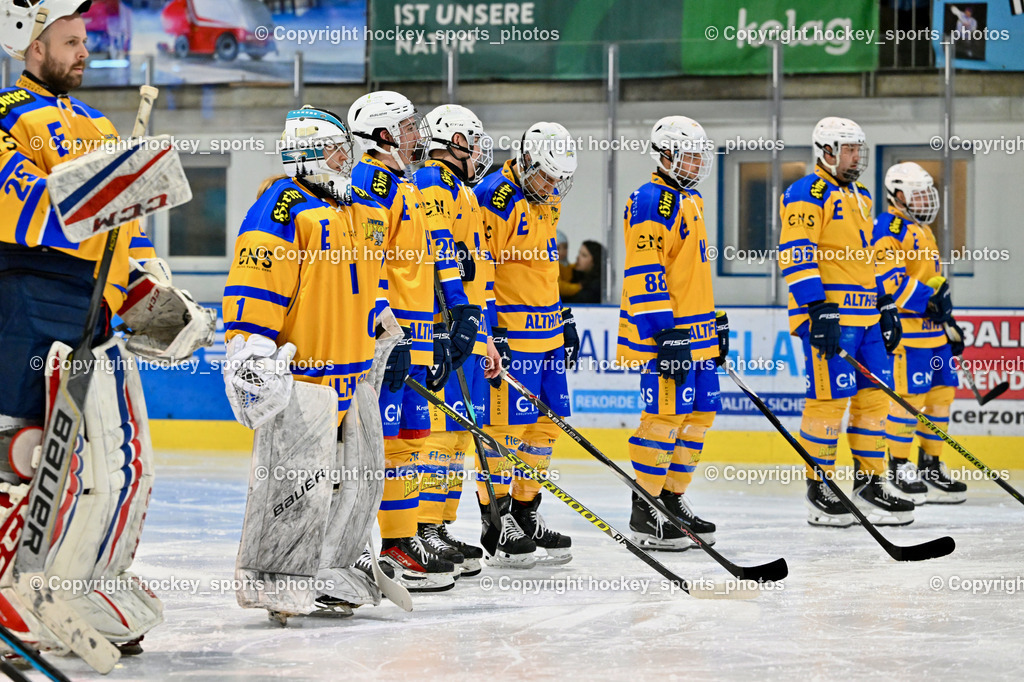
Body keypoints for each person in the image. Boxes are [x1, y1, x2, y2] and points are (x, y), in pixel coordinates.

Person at [0, 0, 209, 657]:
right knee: (27, 458)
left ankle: (80, 580)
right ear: (31, 46)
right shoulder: (6, 114)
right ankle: (11, 589)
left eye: (84, 38)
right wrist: (102, 197)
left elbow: (129, 234)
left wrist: (149, 288)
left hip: (93, 312)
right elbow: (16, 203)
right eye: (69, 40)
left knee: (116, 464)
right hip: (23, 303)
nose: (83, 50)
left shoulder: (98, 123)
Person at [223, 106, 405, 617]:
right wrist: (250, 345)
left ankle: (331, 566)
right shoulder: (282, 206)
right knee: (296, 486)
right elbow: (255, 286)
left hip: (353, 376)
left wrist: (381, 317)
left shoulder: (353, 210)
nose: (346, 160)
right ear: (304, 154)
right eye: (334, 151)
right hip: (304, 381)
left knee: (362, 480)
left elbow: (358, 282)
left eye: (346, 149)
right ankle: (276, 578)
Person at [348, 91, 482, 592]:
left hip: (422, 330)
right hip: (392, 336)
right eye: (406, 128)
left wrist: (459, 309)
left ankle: (405, 539)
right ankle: (387, 544)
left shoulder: (404, 184)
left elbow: (436, 256)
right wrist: (387, 325)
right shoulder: (370, 181)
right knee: (384, 443)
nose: (416, 136)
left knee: (409, 441)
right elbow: (368, 259)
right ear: (381, 135)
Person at [778, 117, 913, 527]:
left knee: (874, 402)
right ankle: (819, 488)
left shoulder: (861, 196)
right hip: (833, 320)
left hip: (868, 317)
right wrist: (817, 308)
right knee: (828, 404)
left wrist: (887, 304)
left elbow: (867, 256)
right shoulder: (807, 192)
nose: (858, 156)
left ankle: (868, 485)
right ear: (828, 150)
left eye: (859, 148)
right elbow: (794, 250)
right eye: (850, 148)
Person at [617, 116, 726, 551]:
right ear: (665, 156)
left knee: (699, 417)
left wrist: (713, 322)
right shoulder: (650, 202)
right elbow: (646, 272)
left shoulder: (690, 200)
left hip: (696, 336)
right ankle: (645, 510)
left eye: (701, 155)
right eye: (690, 155)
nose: (699, 163)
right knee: (663, 420)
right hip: (666, 338)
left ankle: (671, 498)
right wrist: (667, 334)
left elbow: (689, 276)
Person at [474, 122, 578, 567]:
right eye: (546, 176)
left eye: (559, 179)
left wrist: (564, 314)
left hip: (548, 335)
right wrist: (491, 331)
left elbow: (545, 263)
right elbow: (482, 268)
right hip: (512, 339)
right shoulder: (493, 196)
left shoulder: (548, 197)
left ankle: (525, 511)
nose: (553, 185)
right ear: (526, 160)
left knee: (544, 430)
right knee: (501, 433)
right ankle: (496, 522)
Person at [412, 104, 502, 576]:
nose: (481, 150)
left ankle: (441, 525)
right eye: (474, 139)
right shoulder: (430, 183)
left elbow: (477, 270)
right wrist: (452, 324)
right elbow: (437, 252)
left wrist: (484, 336)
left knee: (458, 438)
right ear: (453, 143)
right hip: (440, 325)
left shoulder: (462, 191)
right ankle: (423, 526)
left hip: (467, 326)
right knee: (437, 434)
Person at [874, 162, 967, 504]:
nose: (927, 201)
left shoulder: (924, 230)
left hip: (934, 335)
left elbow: (931, 281)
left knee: (941, 396)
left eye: (929, 194)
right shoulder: (888, 227)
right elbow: (889, 280)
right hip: (909, 334)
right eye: (919, 195)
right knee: (909, 399)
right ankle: (898, 464)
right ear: (897, 195)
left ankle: (931, 463)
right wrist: (931, 302)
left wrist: (948, 319)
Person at [563, 240, 604, 304]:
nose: (578, 257)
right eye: (579, 253)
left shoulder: (596, 287)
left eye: (584, 255)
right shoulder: (573, 276)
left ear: (595, 261)